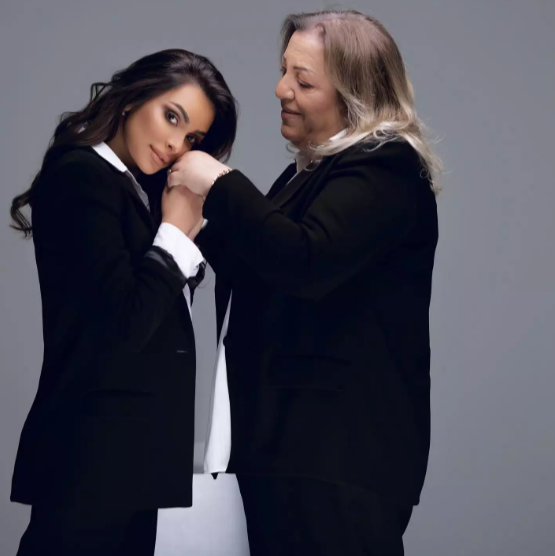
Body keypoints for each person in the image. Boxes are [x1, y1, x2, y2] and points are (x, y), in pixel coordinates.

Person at [167, 9, 441, 556]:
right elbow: (260, 260)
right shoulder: (312, 173)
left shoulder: (385, 165)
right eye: (283, 71)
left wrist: (219, 182)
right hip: (290, 455)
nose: (281, 90)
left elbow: (305, 259)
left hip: (339, 460)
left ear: (355, 94)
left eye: (304, 80)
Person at [9, 48, 238, 556]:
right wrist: (175, 233)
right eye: (171, 117)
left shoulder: (141, 191)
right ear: (133, 97)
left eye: (193, 138)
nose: (175, 144)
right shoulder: (81, 176)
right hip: (89, 455)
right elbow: (127, 323)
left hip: (132, 462)